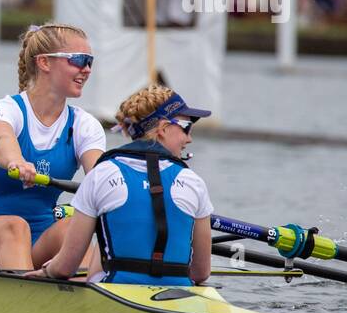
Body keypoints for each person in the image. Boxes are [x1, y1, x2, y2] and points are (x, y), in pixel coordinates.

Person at [0, 24, 105, 270]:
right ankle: (27, 297)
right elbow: (2, 140)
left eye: (90, 61)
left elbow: (102, 173)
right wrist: (16, 162)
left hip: (42, 237)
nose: (86, 69)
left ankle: (84, 298)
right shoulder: (4, 109)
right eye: (78, 60)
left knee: (73, 227)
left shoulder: (85, 125)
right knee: (15, 227)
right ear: (44, 63)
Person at [26, 85, 214, 286]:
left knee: (104, 238)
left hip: (114, 293)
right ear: (163, 129)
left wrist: (47, 271)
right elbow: (201, 272)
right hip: (177, 296)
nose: (189, 138)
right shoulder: (193, 181)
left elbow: (65, 267)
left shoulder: (101, 174)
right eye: (186, 126)